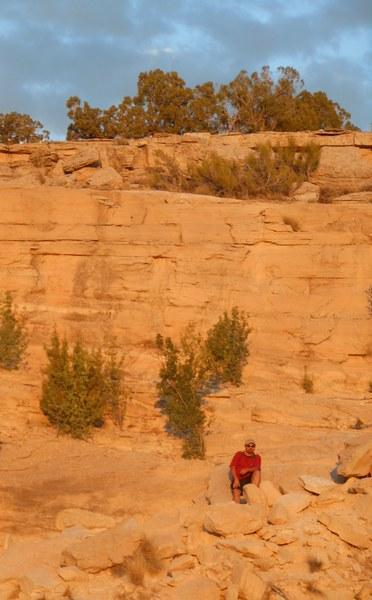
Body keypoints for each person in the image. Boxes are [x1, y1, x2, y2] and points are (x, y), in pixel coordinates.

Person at [230, 439, 261, 503]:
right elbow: (232, 467)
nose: (250, 447)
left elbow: (257, 467)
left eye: (252, 446)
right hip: (239, 479)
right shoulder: (239, 454)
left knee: (257, 472)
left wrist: (247, 470)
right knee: (236, 494)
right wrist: (235, 479)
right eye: (248, 445)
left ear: (254, 447)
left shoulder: (257, 457)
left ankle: (254, 494)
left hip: (249, 479)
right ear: (245, 446)